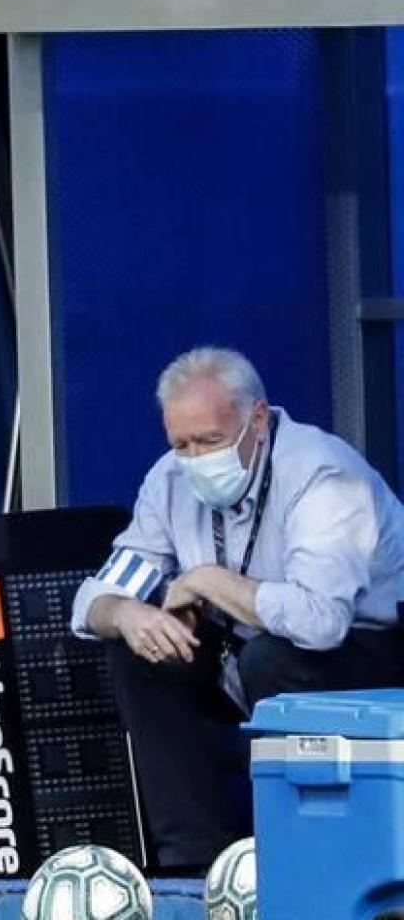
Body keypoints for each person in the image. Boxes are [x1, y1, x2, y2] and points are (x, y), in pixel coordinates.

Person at [71, 346, 404, 872]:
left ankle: (302, 857)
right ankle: (197, 863)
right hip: (243, 649)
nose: (196, 459)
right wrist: (128, 616)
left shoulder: (324, 475)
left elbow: (321, 622)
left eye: (210, 441)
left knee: (273, 657)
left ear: (258, 419)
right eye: (182, 444)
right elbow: (94, 599)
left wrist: (207, 582)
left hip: (367, 656)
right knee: (143, 650)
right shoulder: (170, 478)